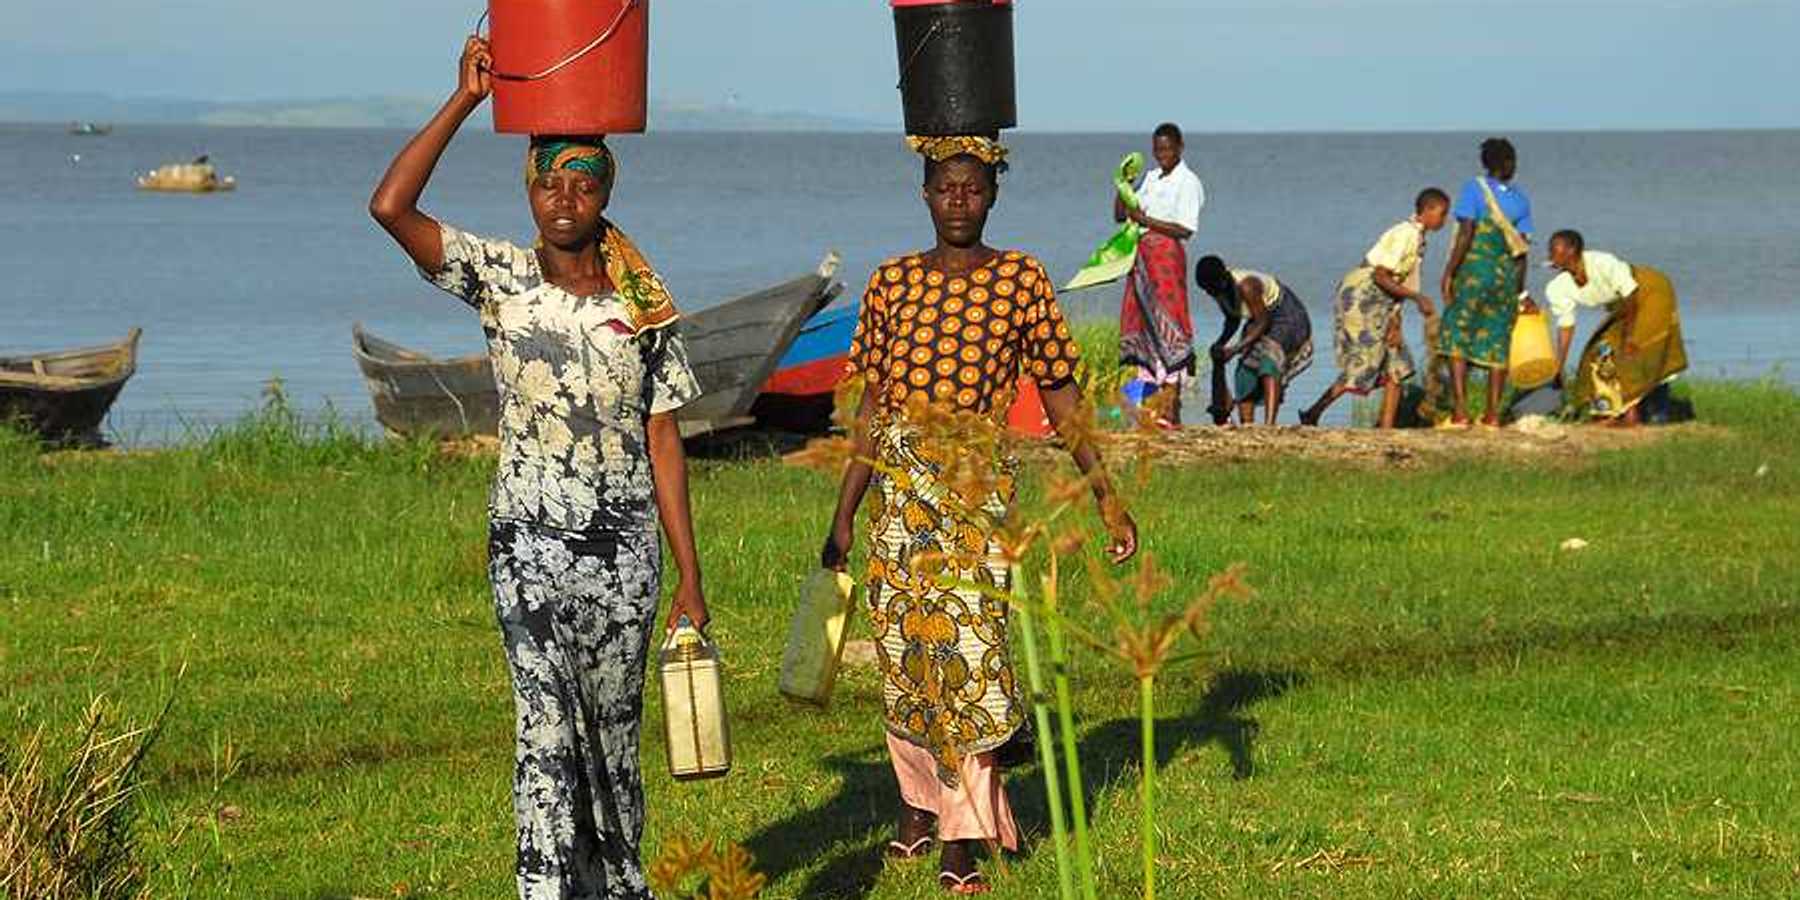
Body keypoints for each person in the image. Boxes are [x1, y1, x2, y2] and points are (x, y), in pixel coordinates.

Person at [369, 37, 708, 900]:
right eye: (549, 182)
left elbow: (663, 439)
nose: (564, 199)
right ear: (529, 191)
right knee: (547, 728)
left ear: (604, 195)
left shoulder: (645, 304)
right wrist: (465, 101)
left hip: (626, 552)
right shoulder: (501, 277)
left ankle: (616, 887)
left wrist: (689, 576)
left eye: (582, 183)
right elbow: (390, 205)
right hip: (528, 542)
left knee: (612, 731)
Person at [821, 135, 1138, 895]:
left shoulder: (1020, 278)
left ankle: (962, 837)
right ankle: (916, 804)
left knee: (974, 662)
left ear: (991, 194)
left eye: (971, 188)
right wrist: (842, 514)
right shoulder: (891, 281)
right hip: (899, 495)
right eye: (945, 188)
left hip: (975, 496)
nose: (958, 200)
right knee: (906, 661)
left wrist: (1106, 492)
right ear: (924, 195)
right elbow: (870, 410)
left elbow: (1060, 392)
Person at [1300, 189, 1449, 427]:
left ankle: (1385, 428)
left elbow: (1400, 280)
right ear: (1427, 211)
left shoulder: (1419, 238)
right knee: (1365, 362)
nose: (1444, 220)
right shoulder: (1406, 234)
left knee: (1397, 363)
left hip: (1382, 299)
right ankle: (1314, 412)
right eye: (1442, 214)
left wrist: (1395, 320)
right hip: (1363, 297)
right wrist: (1417, 298)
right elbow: (1380, 276)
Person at [1434, 137, 1532, 428]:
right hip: (1505, 280)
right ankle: (1492, 416)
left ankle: (1461, 412)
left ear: (1487, 164)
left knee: (1456, 337)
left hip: (1474, 276)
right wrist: (1520, 292)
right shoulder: (1520, 199)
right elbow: (1522, 250)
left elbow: (1466, 233)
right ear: (1509, 163)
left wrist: (1449, 272)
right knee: (1497, 343)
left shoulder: (1475, 189)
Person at [1544, 230, 1689, 424]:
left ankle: (1641, 414)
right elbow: (1565, 327)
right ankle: (1610, 411)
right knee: (1599, 352)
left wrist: (1628, 337)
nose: (1550, 256)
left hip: (1650, 291)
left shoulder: (1602, 263)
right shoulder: (1557, 287)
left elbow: (1631, 295)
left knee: (1635, 350)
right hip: (1624, 305)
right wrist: (1558, 367)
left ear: (1572, 251)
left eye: (1555, 251)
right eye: (1550, 251)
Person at [1115, 122, 1204, 425]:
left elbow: (1185, 229)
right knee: (1147, 333)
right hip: (1142, 265)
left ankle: (1171, 411)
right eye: (1157, 150)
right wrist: (1123, 184)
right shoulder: (1151, 178)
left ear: (1180, 148)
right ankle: (1154, 413)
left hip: (1166, 262)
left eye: (1167, 149)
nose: (1161, 154)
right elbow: (1121, 215)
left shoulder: (1187, 182)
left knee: (1171, 331)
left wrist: (1146, 220)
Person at [1194, 257, 1314, 426]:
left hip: (1287, 317)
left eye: (1210, 289)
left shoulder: (1247, 286)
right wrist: (1221, 343)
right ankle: (1247, 425)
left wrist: (1234, 349)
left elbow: (1263, 321)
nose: (1209, 293)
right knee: (1245, 369)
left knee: (1269, 363)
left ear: (1221, 281)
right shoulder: (1218, 290)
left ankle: (1269, 424)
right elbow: (1233, 319)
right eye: (1205, 290)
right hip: (1260, 319)